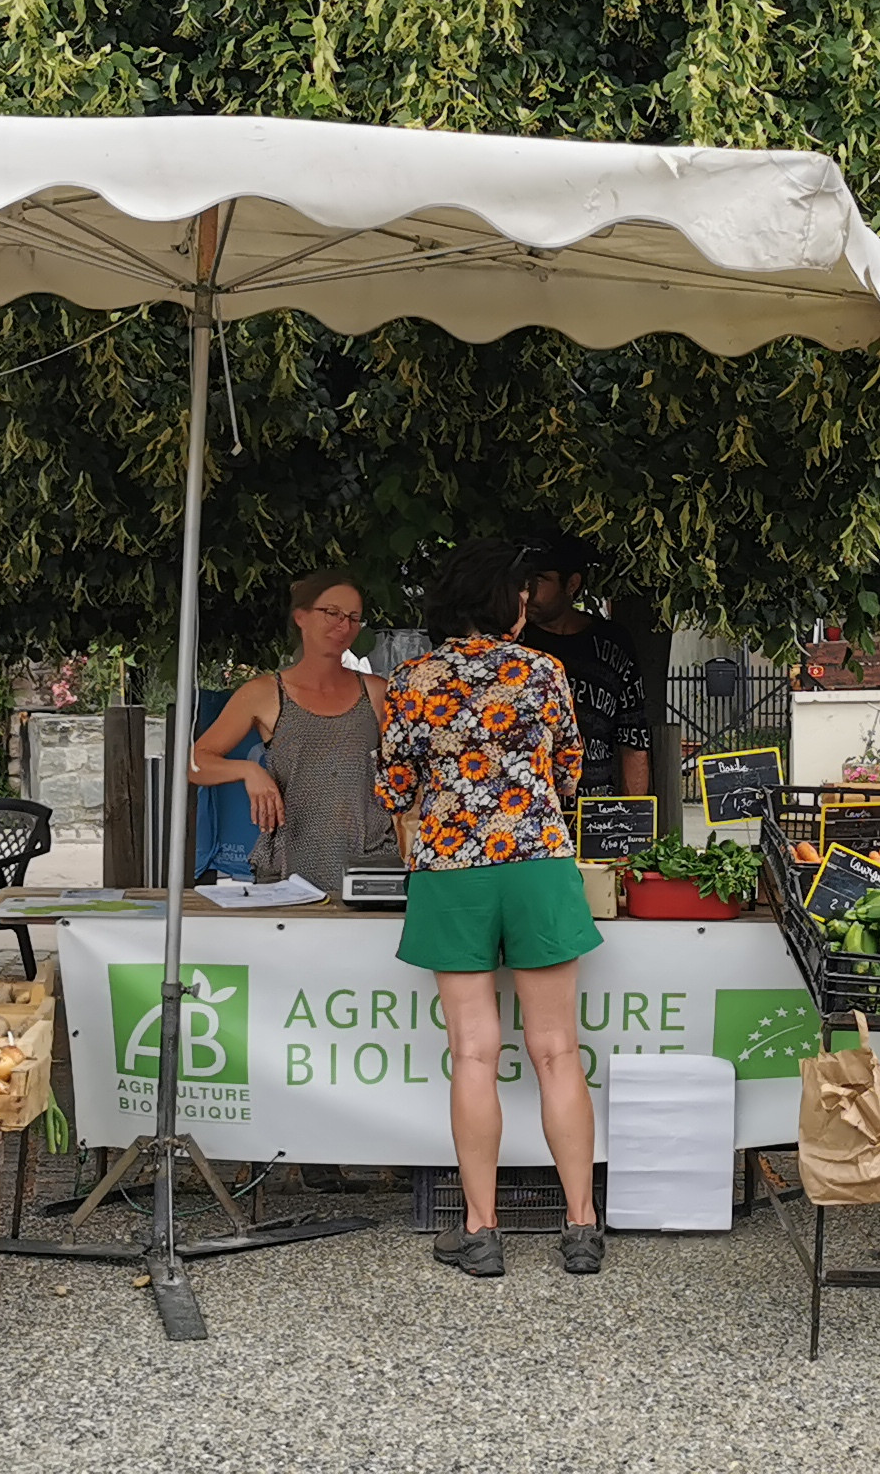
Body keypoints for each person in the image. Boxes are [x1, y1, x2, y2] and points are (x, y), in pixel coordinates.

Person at [374, 543, 604, 1278]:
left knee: (474, 1052)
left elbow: (393, 787)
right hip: (537, 862)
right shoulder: (544, 671)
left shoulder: (412, 678)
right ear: (505, 601)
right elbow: (569, 772)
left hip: (451, 869)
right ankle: (581, 1227)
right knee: (557, 1051)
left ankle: (480, 1230)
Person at [188, 570, 398, 885]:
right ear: (301, 616)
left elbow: (409, 774)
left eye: (354, 618)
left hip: (369, 866)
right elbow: (195, 762)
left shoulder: (377, 691)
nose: (344, 625)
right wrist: (249, 771)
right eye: (332, 613)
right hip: (288, 869)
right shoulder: (264, 693)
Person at [513, 537, 652, 799]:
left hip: (596, 809)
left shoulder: (613, 645)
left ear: (572, 584)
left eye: (540, 579)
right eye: (523, 580)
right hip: (527, 811)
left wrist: (632, 823)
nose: (528, 590)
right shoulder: (515, 644)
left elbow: (633, 738)